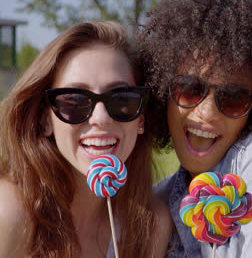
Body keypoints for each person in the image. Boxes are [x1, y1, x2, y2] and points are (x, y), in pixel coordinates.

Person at [138, 0, 252, 257]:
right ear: (162, 91)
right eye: (189, 89)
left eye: (233, 99)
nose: (206, 112)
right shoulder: (156, 202)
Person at [0, 21, 172, 257]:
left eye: (122, 99)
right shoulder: (10, 214)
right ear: (44, 119)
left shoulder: (152, 225)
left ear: (141, 118)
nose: (100, 118)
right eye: (73, 101)